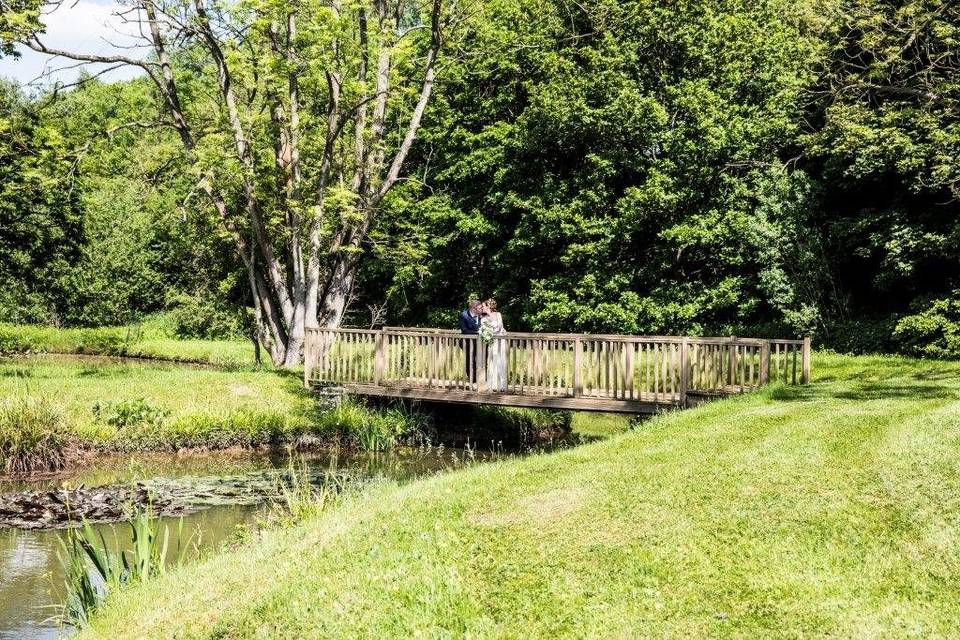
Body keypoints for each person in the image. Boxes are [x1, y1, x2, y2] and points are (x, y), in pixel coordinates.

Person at [481, 298, 508, 391]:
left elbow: (500, 326)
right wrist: (489, 333)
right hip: (493, 341)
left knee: (502, 360)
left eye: (483, 306)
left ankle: (502, 385)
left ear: (488, 306)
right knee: (493, 360)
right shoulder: (483, 318)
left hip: (501, 340)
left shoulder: (498, 314)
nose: (482, 308)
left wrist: (494, 331)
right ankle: (493, 384)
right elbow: (484, 330)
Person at [459, 300, 483, 383]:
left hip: (479, 343)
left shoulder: (481, 315)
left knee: (480, 360)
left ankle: (480, 379)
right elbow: (464, 330)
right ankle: (472, 379)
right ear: (473, 309)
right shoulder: (464, 315)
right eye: (480, 308)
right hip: (467, 342)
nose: (482, 309)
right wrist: (479, 332)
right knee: (469, 360)